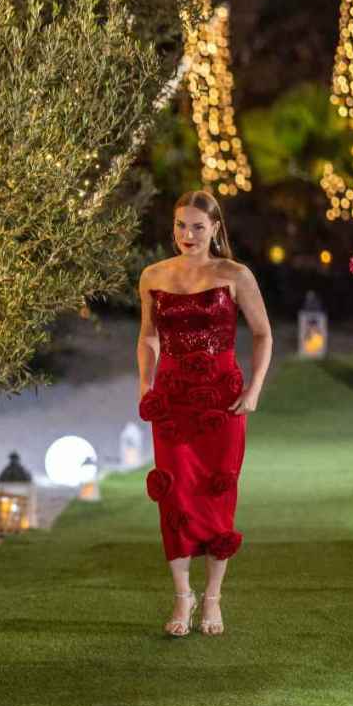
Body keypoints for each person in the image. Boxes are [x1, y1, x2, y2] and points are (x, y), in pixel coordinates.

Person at [136, 190, 272, 637]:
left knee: (217, 497)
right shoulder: (153, 275)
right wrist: (145, 383)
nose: (188, 234)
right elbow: (148, 336)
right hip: (172, 401)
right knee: (174, 496)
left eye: (198, 226)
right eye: (181, 225)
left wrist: (254, 389)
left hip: (222, 401)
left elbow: (263, 334)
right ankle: (182, 596)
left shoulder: (235, 274)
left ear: (215, 228)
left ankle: (212, 597)